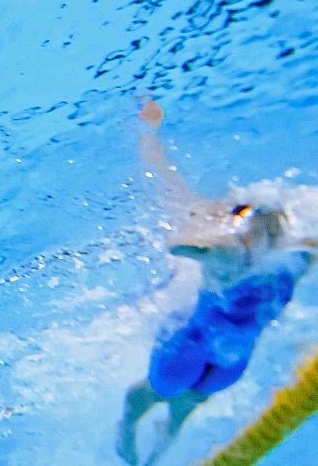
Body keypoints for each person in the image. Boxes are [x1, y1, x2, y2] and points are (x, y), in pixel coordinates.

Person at [116, 102, 315, 465]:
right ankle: (152, 455)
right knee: (184, 409)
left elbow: (177, 231)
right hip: (233, 360)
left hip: (188, 345)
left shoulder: (228, 255)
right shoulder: (296, 259)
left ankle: (130, 439)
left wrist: (149, 134)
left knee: (144, 397)